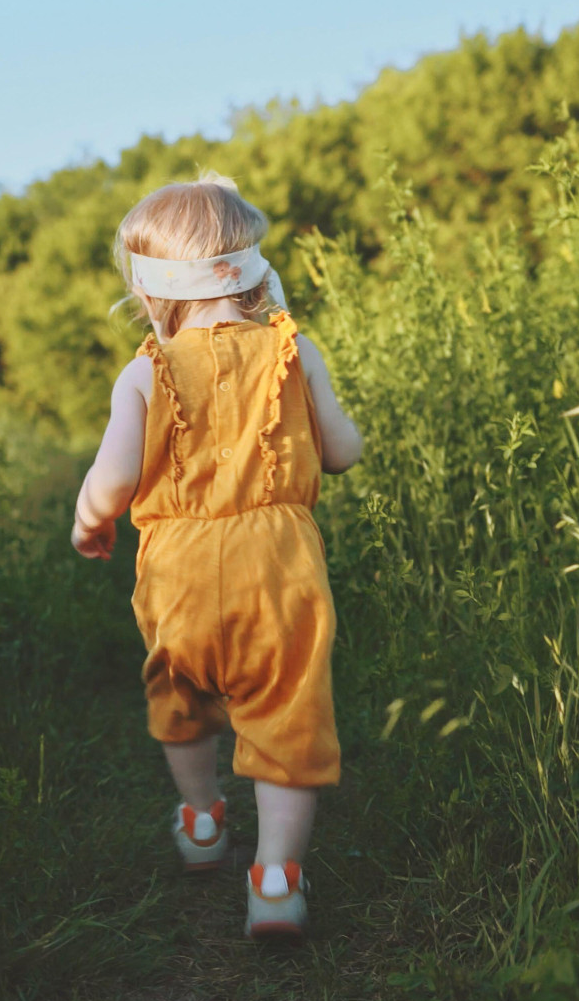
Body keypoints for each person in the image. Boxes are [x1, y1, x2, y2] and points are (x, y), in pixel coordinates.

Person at [71, 173, 362, 938]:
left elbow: (110, 479)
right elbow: (343, 451)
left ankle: (202, 819)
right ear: (254, 270)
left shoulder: (145, 372)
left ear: (152, 295)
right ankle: (274, 878)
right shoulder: (295, 352)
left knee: (180, 691)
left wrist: (88, 520)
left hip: (179, 570)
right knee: (285, 707)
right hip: (281, 563)